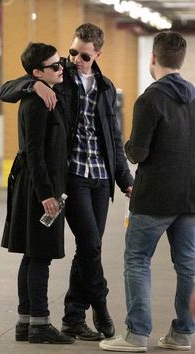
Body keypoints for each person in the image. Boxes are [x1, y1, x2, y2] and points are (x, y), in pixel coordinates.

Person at [0, 23, 134, 341]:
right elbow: (8, 88)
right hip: (72, 176)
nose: (74, 59)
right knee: (87, 244)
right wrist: (31, 86)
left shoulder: (106, 87)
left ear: (97, 54)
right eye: (71, 52)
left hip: (100, 176)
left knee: (90, 249)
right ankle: (99, 305)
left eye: (83, 55)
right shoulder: (59, 79)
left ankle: (74, 316)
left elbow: (113, 138)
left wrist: (124, 178)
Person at [100, 31, 195, 352]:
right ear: (180, 61)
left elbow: (138, 152)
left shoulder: (150, 99)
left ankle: (137, 335)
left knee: (138, 260)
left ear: (152, 59)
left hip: (154, 196)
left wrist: (127, 144)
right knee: (188, 265)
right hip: (191, 197)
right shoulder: (194, 96)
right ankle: (183, 333)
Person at [1, 42, 74, 345]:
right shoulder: (36, 102)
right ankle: (40, 324)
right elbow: (34, 151)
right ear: (36, 72)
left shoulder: (47, 89)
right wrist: (46, 194)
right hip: (38, 188)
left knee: (32, 254)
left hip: (42, 184)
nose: (61, 69)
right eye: (55, 66)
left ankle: (25, 321)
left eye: (61, 64)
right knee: (40, 255)